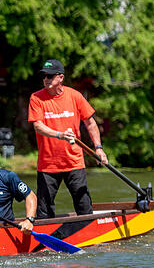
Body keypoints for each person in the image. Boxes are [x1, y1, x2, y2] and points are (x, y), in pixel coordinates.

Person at [29, 58, 107, 219]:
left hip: (74, 162)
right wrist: (60, 135)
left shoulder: (75, 96)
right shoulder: (36, 98)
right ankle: (46, 234)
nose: (46, 79)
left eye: (50, 76)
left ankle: (89, 231)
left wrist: (98, 148)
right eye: (44, 76)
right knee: (44, 212)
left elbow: (91, 123)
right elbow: (38, 126)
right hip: (48, 165)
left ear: (61, 77)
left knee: (84, 207)